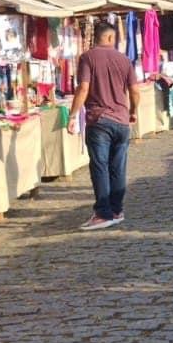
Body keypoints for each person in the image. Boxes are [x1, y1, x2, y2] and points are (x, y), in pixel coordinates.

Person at [67, 21, 139, 231]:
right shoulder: (125, 59)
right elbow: (134, 90)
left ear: (96, 37)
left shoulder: (88, 58)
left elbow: (83, 88)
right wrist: (133, 111)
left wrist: (73, 115)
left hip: (99, 120)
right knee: (118, 167)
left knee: (100, 166)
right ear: (110, 38)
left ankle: (103, 213)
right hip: (121, 120)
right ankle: (116, 210)